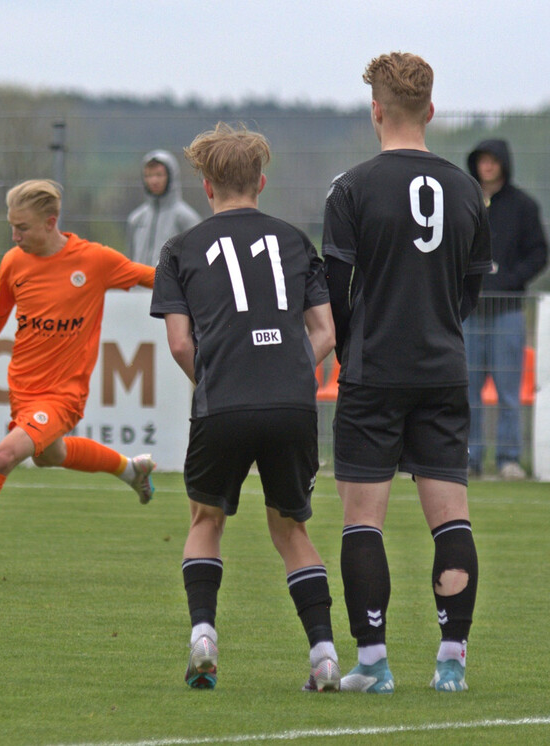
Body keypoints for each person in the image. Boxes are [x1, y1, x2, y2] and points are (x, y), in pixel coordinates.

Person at [321, 52, 492, 694]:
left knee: (363, 520)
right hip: (442, 368)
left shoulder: (353, 187)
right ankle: (452, 664)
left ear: (376, 110)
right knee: (451, 517)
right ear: (429, 110)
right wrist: (441, 324)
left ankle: (373, 664)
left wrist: (348, 343)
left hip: (373, 369)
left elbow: (333, 287)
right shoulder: (466, 188)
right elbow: (473, 286)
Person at [150, 122, 340, 692]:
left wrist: (216, 378)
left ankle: (204, 637)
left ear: (207, 188)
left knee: (206, 520)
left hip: (222, 403)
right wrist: (283, 373)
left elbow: (181, 343)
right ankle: (326, 656)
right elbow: (326, 331)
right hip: (291, 404)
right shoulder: (293, 241)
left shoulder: (180, 249)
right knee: (291, 529)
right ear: (260, 181)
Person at [0, 179, 157, 574]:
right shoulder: (14, 263)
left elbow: (152, 278)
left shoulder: (95, 261)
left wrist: (209, 287)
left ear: (51, 222)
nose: (15, 236)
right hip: (23, 391)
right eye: (11, 227)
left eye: (23, 228)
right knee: (53, 455)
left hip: (64, 395)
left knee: (1, 457)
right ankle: (130, 469)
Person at [465, 139, 549, 480]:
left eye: (493, 160)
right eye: (482, 160)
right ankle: (468, 459)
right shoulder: (463, 202)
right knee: (465, 390)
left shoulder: (524, 206)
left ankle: (508, 459)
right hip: (468, 310)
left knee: (508, 390)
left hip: (508, 311)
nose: (487, 166)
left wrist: (510, 280)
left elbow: (539, 254)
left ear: (503, 164)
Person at [127, 149, 201, 267]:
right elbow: (129, 261)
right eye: (149, 175)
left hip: (171, 285)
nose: (154, 180)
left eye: (159, 175)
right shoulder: (136, 219)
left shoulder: (187, 218)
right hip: (139, 285)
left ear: (171, 176)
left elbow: (196, 261)